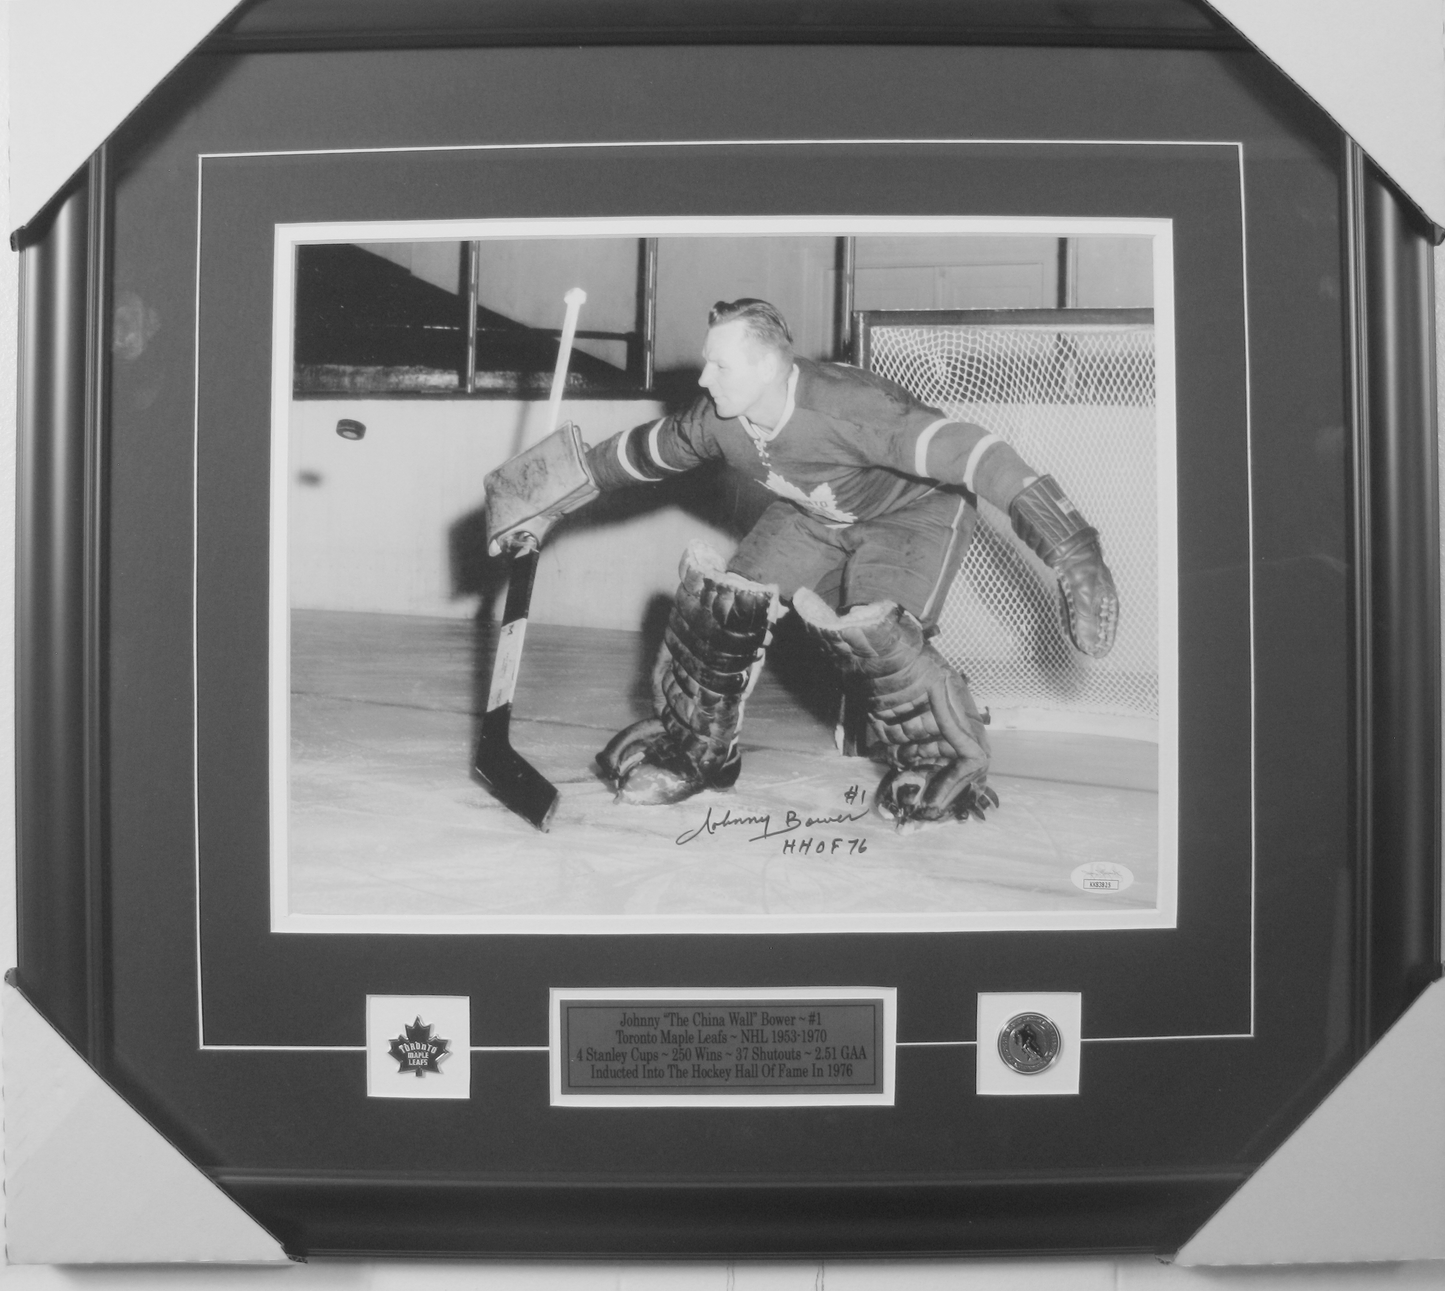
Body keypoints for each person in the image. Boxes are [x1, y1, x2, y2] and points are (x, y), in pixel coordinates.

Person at [500, 298, 1119, 826]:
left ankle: (937, 760)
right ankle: (698, 744)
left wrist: (1071, 547)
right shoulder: (722, 418)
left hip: (912, 515)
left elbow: (974, 451)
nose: (705, 377)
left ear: (769, 364)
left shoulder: (847, 407)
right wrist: (551, 492)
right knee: (723, 604)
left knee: (878, 638)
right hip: (816, 517)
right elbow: (641, 453)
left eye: (721, 363)